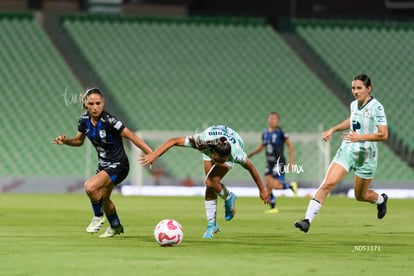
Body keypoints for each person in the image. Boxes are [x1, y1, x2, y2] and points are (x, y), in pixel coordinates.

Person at [52, 87, 153, 238]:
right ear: (85, 104)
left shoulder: (110, 121)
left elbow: (131, 135)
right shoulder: (83, 120)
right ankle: (116, 226)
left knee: (90, 187)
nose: (95, 107)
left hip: (119, 164)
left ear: (103, 103)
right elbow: (79, 141)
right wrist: (66, 141)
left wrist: (152, 153)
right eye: (91, 103)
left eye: (98, 103)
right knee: (104, 199)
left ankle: (98, 217)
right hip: (104, 165)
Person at [294, 74, 389, 233]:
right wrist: (333, 129)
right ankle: (307, 220)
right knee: (328, 183)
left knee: (361, 195)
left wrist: (360, 137)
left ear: (368, 89)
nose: (356, 91)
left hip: (365, 156)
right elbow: (352, 120)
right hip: (348, 150)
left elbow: (384, 134)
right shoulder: (354, 105)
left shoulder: (376, 107)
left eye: (359, 88)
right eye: (353, 88)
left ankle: (381, 200)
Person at [139, 125, 269, 239]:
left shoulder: (235, 153)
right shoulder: (201, 142)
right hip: (212, 138)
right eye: (217, 160)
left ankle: (228, 198)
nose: (219, 163)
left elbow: (251, 167)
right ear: (212, 153)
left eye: (223, 161)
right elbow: (173, 141)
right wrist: (154, 154)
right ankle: (212, 224)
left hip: (234, 139)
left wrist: (262, 189)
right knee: (210, 184)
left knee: (210, 181)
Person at [248, 112, 297, 214]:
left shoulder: (280, 132)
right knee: (268, 185)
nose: (272, 120)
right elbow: (262, 147)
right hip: (269, 163)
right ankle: (273, 207)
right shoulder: (265, 133)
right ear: (268, 120)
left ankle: (290, 185)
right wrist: (251, 154)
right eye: (270, 118)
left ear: (277, 121)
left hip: (279, 162)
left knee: (274, 185)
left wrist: (292, 161)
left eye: (274, 118)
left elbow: (290, 146)